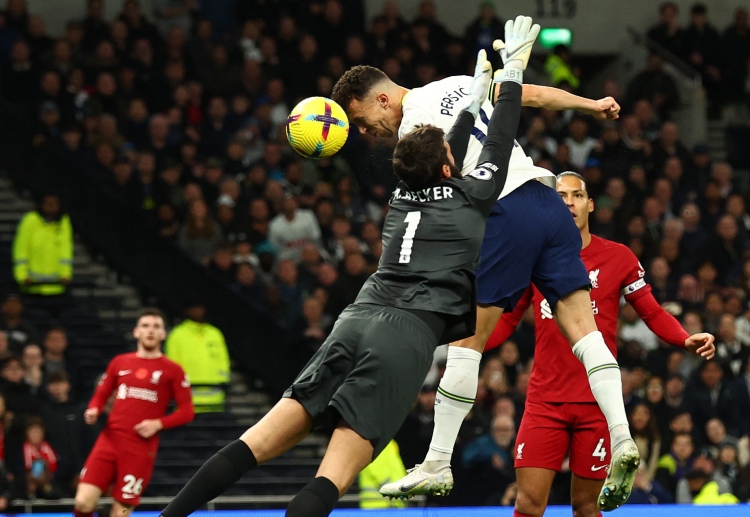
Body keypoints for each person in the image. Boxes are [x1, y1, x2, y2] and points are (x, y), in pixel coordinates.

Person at [157, 21, 525, 517]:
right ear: (450, 166)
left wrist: (478, 90)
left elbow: (445, 146)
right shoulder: (474, 196)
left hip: (358, 317)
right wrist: (511, 78)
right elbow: (498, 138)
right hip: (408, 334)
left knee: (256, 442)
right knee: (328, 479)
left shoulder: (399, 197)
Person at [337, 20, 636, 511]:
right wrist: (589, 105)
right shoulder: (457, 84)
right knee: (585, 330)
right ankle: (622, 435)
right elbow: (527, 94)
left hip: (504, 211)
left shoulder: (414, 128)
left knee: (466, 342)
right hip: (545, 198)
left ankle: (436, 461)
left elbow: (450, 188)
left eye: (364, 121)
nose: (368, 132)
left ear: (382, 99)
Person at [477, 172, 714, 517]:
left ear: (590, 204)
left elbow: (651, 311)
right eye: (560, 196)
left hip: (597, 403)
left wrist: (683, 338)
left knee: (586, 506)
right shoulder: (531, 258)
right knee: (528, 504)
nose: (569, 203)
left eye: (576, 196)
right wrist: (469, 348)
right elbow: (509, 319)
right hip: (545, 401)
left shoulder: (618, 257)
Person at [74, 308, 194, 517]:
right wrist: (94, 409)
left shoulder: (173, 370)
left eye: (156, 326)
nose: (150, 331)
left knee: (120, 511)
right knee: (83, 501)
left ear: (163, 334)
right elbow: (102, 392)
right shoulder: (120, 362)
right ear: (136, 331)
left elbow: (187, 411)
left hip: (140, 449)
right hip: (109, 441)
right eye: (145, 326)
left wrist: (158, 424)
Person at [165, 299, 230, 412]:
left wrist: (223, 381)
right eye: (194, 308)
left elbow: (223, 361)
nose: (197, 311)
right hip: (187, 403)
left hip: (215, 401)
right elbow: (172, 365)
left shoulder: (214, 333)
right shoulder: (177, 335)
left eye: (199, 308)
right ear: (187, 311)